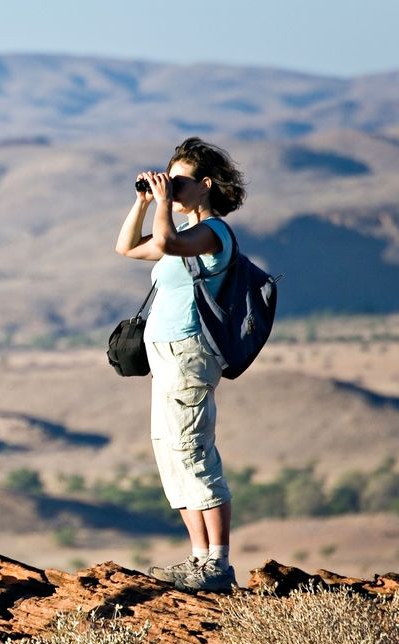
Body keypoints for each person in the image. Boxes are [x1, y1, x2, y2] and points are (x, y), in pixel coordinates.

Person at [113, 137, 246, 591]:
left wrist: (165, 205)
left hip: (190, 354)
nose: (170, 185)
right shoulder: (186, 231)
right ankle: (198, 560)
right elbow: (127, 248)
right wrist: (144, 201)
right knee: (172, 455)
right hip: (166, 354)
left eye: (180, 179)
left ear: (205, 185)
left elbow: (166, 241)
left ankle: (218, 564)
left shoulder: (214, 233)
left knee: (194, 452)